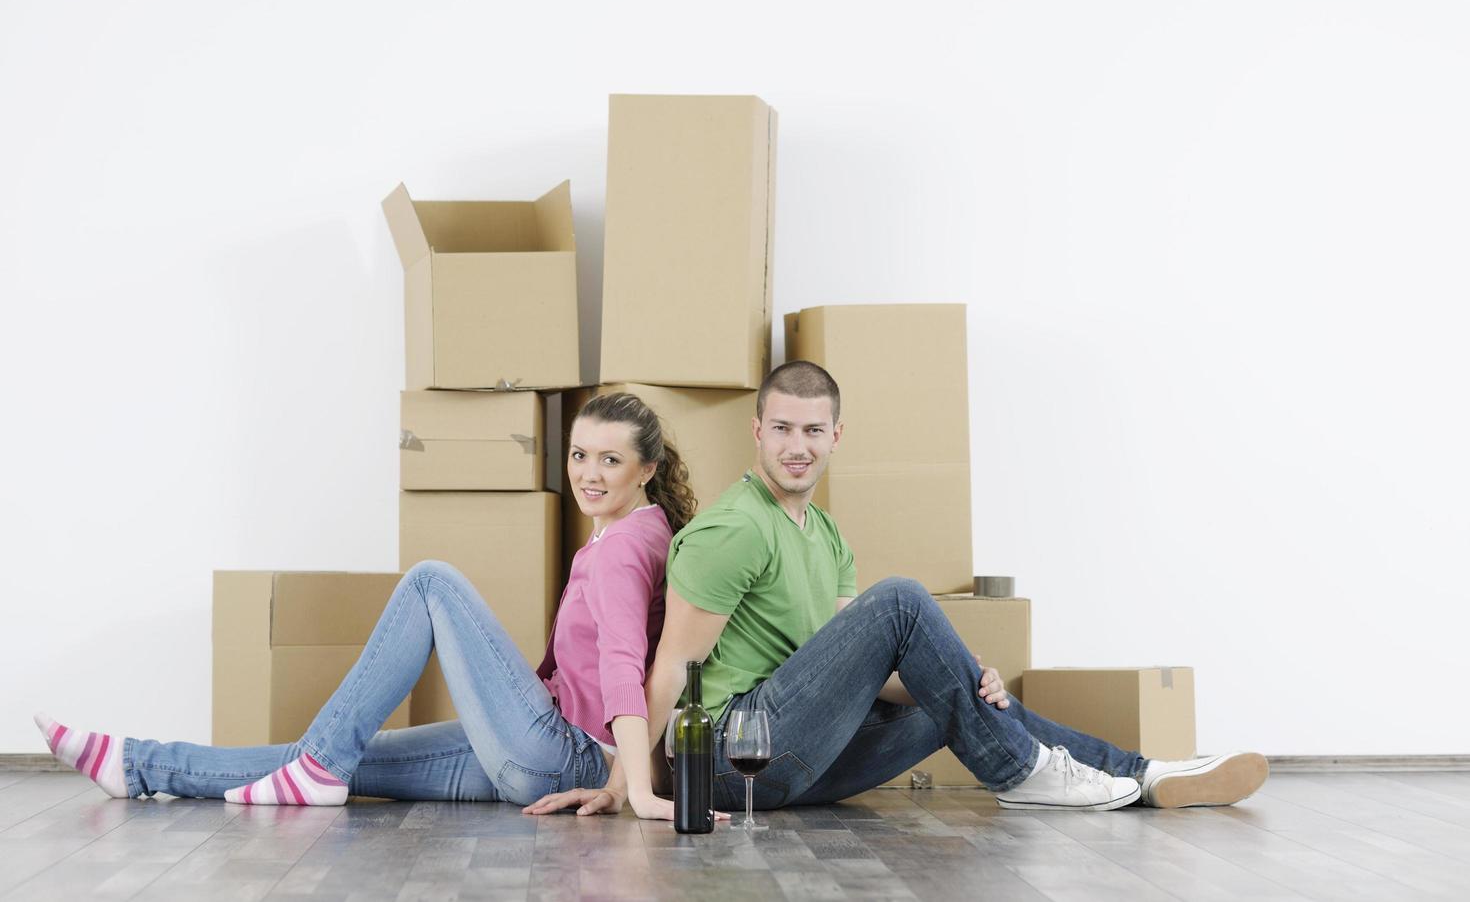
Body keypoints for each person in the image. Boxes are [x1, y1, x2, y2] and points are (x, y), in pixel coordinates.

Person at [537, 361, 1269, 816]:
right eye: (783, 428)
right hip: (734, 757)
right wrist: (628, 784)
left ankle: (1144, 774)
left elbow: (862, 668)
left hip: (801, 748)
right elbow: (670, 670)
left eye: (813, 431)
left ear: (836, 437)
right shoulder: (733, 529)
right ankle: (1023, 772)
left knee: (962, 698)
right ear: (757, 430)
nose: (798, 446)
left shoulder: (826, 536)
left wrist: (952, 678)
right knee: (903, 599)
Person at [36, 392, 694, 815]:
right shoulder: (640, 532)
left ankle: (318, 763)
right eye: (581, 455)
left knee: (431, 581)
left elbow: (621, 662)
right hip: (548, 754)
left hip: (561, 753)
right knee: (351, 753)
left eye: (610, 460)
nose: (589, 473)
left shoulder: (619, 548)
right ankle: (140, 765)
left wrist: (633, 790)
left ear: (645, 469)